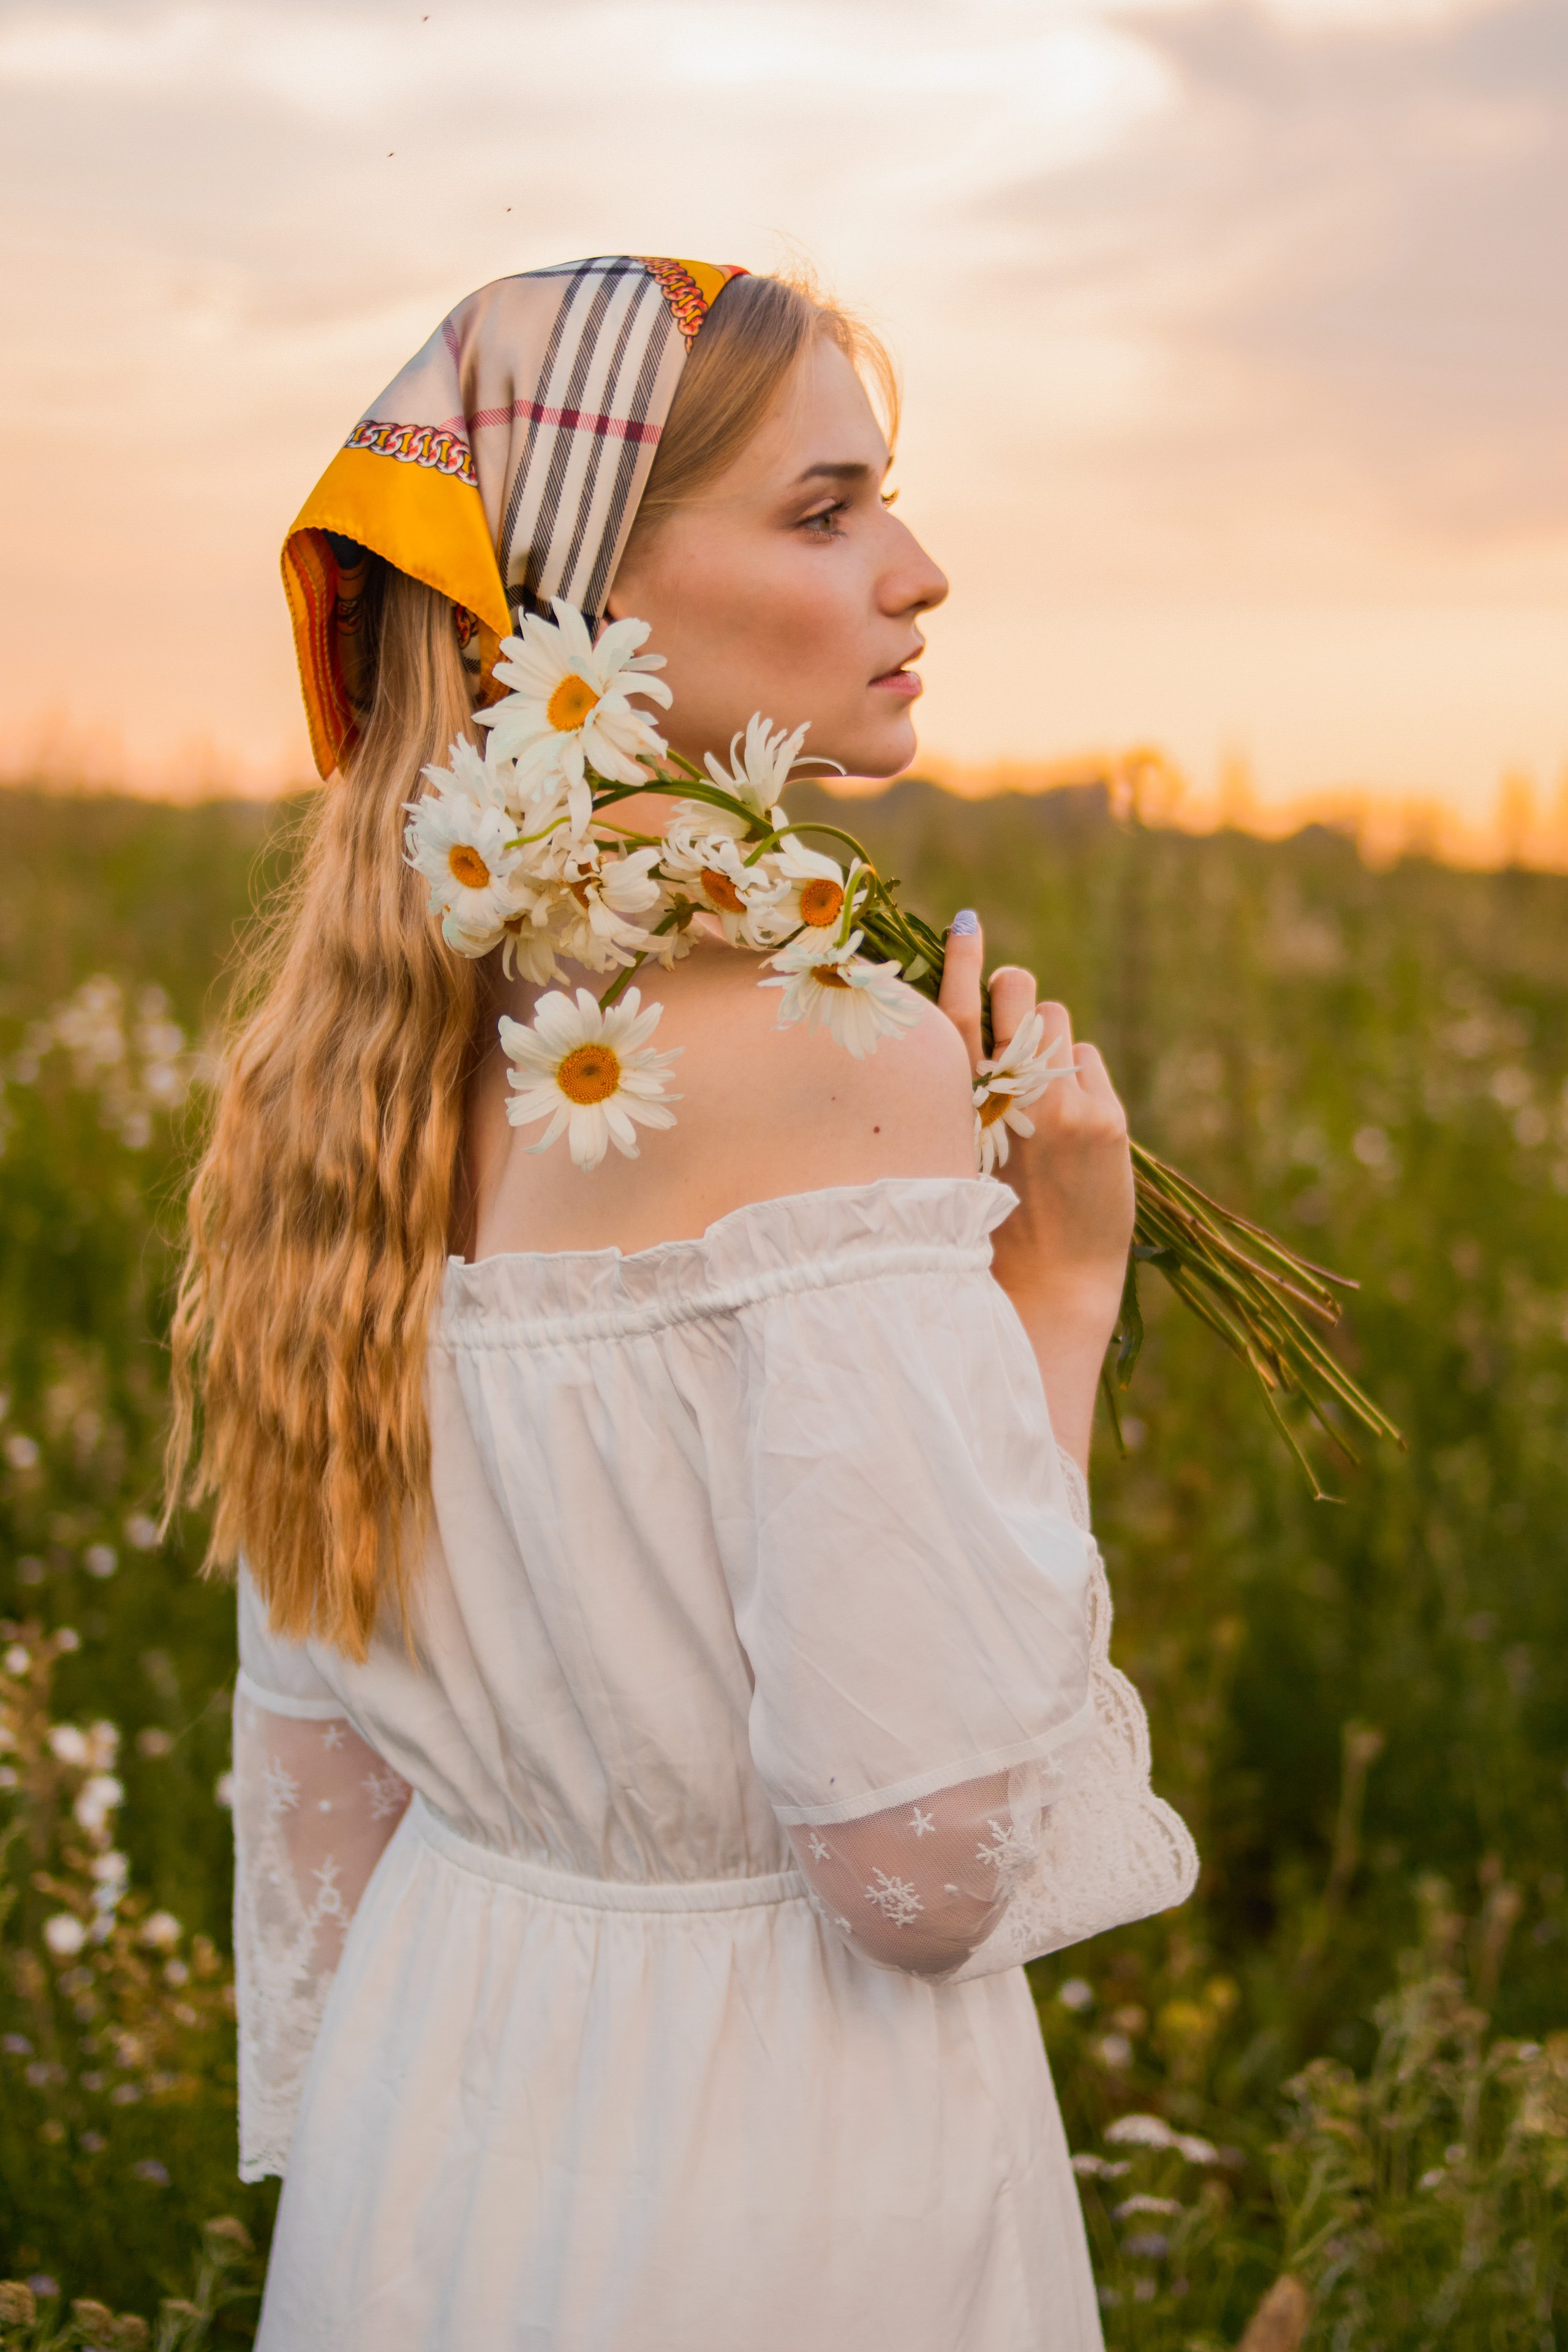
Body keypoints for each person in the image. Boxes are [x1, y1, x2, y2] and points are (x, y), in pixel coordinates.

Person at [167, 255, 1197, 2351]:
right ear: (588, 622)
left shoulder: (341, 1065)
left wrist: (389, 2165)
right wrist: (1059, 1302)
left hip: (435, 2125)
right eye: (824, 512)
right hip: (780, 2156)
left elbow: (319, 1780)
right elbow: (917, 1868)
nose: (918, 572)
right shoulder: (841, 1048)